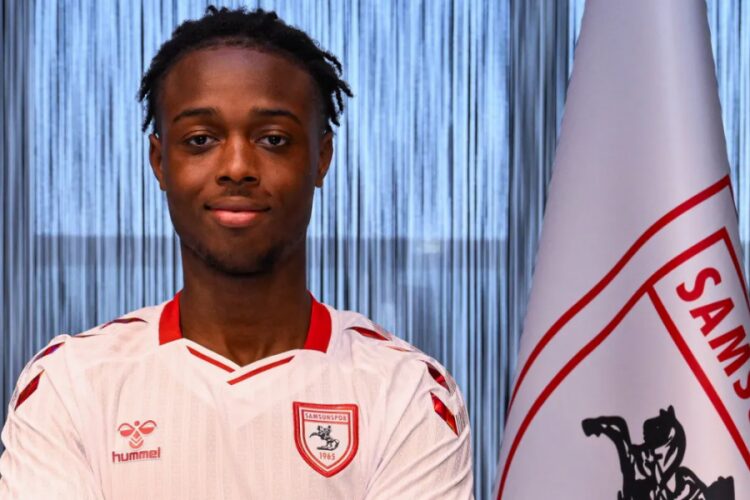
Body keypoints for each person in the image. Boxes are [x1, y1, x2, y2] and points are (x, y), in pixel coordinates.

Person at [0, 6, 473, 499]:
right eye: (201, 140)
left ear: (321, 158)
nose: (237, 167)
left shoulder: (407, 391)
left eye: (273, 139)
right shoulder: (70, 384)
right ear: (159, 161)